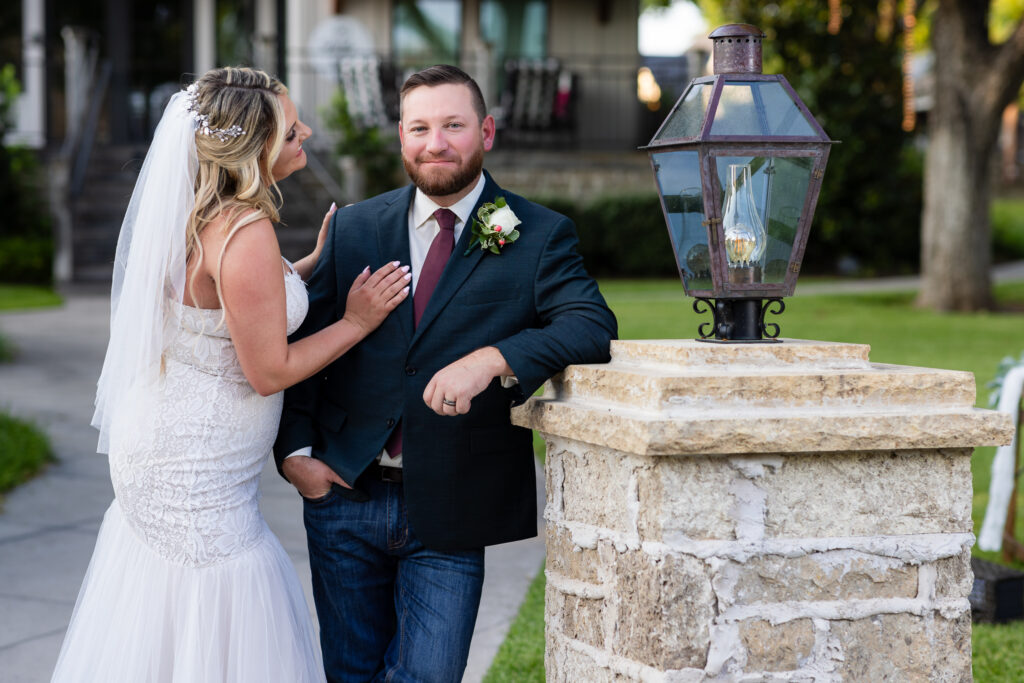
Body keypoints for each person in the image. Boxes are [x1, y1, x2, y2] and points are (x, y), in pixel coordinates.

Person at [51, 67, 409, 683]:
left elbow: (221, 308)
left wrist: (299, 270)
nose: (308, 133)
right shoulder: (245, 232)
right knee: (215, 601)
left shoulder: (195, 214)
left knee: (161, 611)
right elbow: (269, 370)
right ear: (257, 145)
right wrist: (356, 320)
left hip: (161, 438)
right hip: (196, 470)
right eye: (293, 129)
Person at [274, 64, 617, 682]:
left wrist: (492, 360)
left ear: (485, 130)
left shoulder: (536, 235)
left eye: (453, 125)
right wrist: (297, 454)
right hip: (344, 495)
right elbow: (303, 342)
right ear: (401, 137)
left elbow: (593, 327)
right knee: (349, 674)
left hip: (454, 505)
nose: (436, 143)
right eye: (420, 128)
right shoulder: (354, 229)